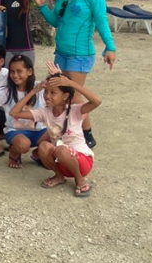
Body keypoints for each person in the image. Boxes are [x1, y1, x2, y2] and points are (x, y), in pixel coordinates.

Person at [33, 0, 117, 148]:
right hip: (61, 53)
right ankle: (60, 130)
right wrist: (43, 6)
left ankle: (86, 135)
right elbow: (56, 21)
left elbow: (101, 21)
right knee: (56, 91)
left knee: (74, 96)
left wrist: (110, 47)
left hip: (80, 54)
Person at [10, 63, 102, 197]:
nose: (47, 96)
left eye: (53, 93)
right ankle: (59, 176)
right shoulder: (45, 112)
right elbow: (14, 112)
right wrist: (33, 92)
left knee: (60, 149)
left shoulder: (75, 110)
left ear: (65, 96)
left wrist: (70, 83)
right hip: (62, 162)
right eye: (46, 91)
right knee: (43, 147)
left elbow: (97, 101)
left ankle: (80, 180)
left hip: (82, 162)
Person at [0, 55, 48, 168]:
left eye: (19, 71)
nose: (15, 75)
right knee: (24, 145)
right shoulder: (7, 91)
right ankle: (14, 151)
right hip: (15, 131)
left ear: (29, 71)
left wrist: (58, 77)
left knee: (58, 132)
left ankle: (38, 154)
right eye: (12, 72)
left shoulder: (40, 87)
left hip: (39, 131)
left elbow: (61, 94)